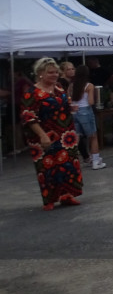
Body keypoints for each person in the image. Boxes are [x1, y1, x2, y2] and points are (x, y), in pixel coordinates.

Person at [20, 57, 84, 210]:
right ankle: (49, 199)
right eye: (50, 73)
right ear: (40, 73)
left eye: (56, 72)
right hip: (44, 135)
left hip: (65, 133)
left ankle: (67, 195)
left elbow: (64, 103)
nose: (55, 75)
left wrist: (70, 108)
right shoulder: (32, 93)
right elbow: (28, 117)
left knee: (68, 164)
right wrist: (42, 135)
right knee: (47, 167)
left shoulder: (59, 87)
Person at [70, 64, 104, 169]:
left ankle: (71, 160)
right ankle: (95, 161)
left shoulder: (71, 85)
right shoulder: (89, 85)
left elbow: (69, 99)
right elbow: (90, 102)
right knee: (93, 136)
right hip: (85, 110)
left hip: (74, 111)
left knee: (76, 136)